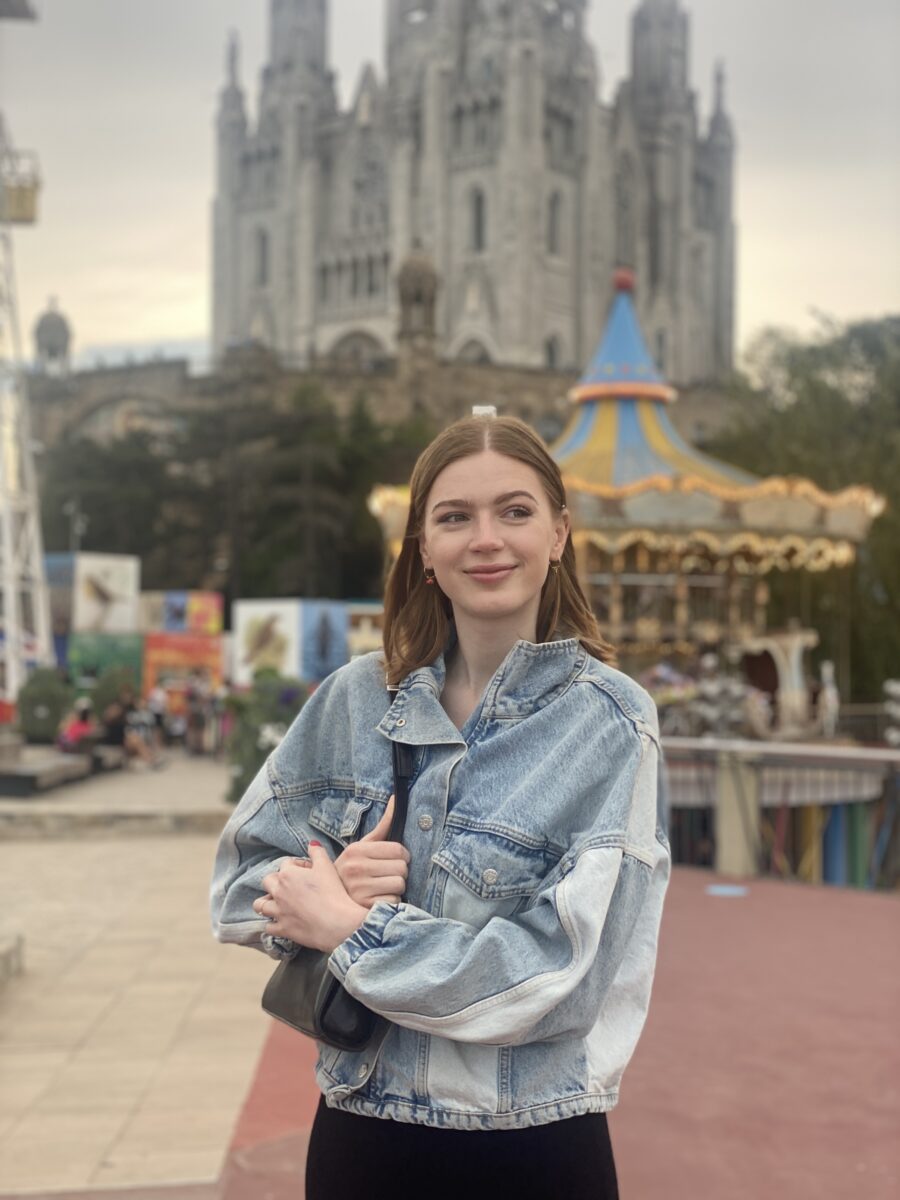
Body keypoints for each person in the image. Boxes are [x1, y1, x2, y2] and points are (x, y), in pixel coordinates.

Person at [210, 415, 670, 1200]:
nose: (485, 539)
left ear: (559, 534)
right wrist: (327, 880)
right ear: (424, 549)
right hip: (364, 1138)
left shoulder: (613, 724)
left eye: (515, 512)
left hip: (532, 1143)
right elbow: (236, 888)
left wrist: (356, 931)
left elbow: (560, 979)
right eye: (455, 517)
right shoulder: (354, 700)